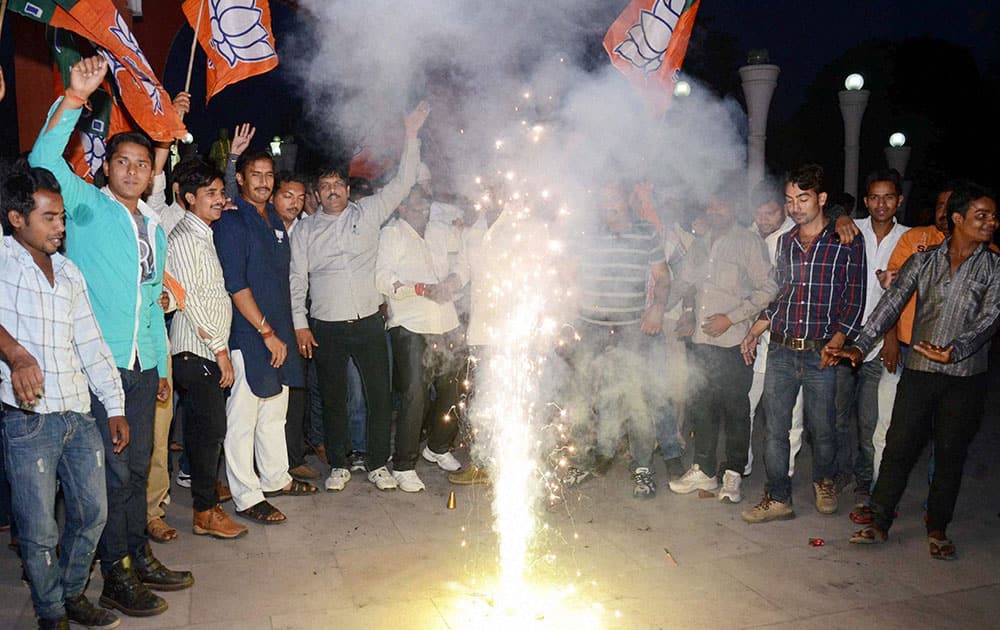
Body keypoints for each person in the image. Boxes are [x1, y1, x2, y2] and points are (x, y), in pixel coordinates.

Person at [28, 55, 191, 616]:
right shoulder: (88, 207)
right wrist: (74, 98)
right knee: (112, 474)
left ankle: (137, 556)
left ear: (151, 172)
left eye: (141, 164)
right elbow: (43, 160)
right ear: (107, 168)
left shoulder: (152, 226)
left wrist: (164, 367)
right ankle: (114, 572)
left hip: (145, 364)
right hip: (100, 368)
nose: (130, 171)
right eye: (121, 162)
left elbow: (151, 303)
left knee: (139, 465)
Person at [828, 182, 1000, 560]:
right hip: (920, 371)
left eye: (993, 216)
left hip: (966, 378)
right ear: (957, 219)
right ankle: (879, 520)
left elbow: (991, 317)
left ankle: (937, 526)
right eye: (981, 216)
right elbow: (891, 303)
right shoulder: (923, 261)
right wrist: (859, 344)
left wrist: (956, 349)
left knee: (951, 454)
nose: (991, 223)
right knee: (898, 447)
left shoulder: (994, 267)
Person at [1, 160, 125, 630]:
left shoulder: (70, 272)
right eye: (49, 218)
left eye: (62, 217)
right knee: (38, 530)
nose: (60, 226)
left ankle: (72, 593)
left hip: (77, 411)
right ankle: (50, 611)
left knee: (93, 512)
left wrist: (113, 405)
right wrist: (15, 354)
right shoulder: (4, 258)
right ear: (17, 219)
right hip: (28, 418)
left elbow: (91, 341)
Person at [291, 102, 430, 492]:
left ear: (347, 190)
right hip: (326, 326)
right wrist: (301, 325)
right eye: (325, 187)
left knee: (379, 397)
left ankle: (377, 463)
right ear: (316, 194)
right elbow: (296, 281)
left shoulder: (368, 212)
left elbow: (403, 182)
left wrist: (411, 135)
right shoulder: (304, 233)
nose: (332, 191)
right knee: (334, 397)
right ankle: (338, 463)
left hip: (369, 321)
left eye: (338, 185)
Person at [739, 164, 866, 523]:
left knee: (823, 429)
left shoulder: (846, 240)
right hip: (781, 348)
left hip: (821, 353)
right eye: (790, 200)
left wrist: (837, 341)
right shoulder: (786, 242)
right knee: (776, 428)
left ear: (822, 199)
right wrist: (755, 330)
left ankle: (824, 481)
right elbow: (781, 294)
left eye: (803, 199)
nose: (795, 207)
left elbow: (854, 301)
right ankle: (778, 496)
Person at [214, 147, 315, 525]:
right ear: (240, 178)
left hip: (279, 333)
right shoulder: (232, 220)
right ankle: (246, 494)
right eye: (254, 174)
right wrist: (266, 332)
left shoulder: (273, 217)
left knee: (275, 412)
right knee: (243, 418)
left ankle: (276, 477)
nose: (263, 181)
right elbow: (236, 285)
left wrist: (282, 333)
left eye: (268, 175)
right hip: (249, 333)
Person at [667, 182, 776, 504]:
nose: (714, 212)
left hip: (732, 342)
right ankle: (704, 470)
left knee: (735, 412)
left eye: (722, 206)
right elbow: (685, 282)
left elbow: (769, 287)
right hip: (700, 341)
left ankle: (732, 475)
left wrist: (732, 317)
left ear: (735, 209)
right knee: (701, 408)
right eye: (711, 206)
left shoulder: (748, 243)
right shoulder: (701, 243)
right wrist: (665, 309)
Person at [571, 182, 673, 499]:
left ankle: (642, 466)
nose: (608, 204)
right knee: (586, 397)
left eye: (614, 197)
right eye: (603, 198)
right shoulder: (588, 233)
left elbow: (663, 277)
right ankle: (590, 458)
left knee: (636, 397)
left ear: (626, 200)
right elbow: (569, 274)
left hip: (632, 328)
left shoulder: (646, 232)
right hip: (590, 327)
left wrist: (656, 309)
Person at [166, 160, 247, 540]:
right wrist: (219, 349)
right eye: (211, 194)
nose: (220, 199)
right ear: (188, 198)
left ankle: (206, 493)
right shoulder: (184, 238)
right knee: (209, 430)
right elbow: (188, 298)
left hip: (205, 349)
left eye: (220, 192)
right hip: (195, 350)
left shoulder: (203, 234)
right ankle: (204, 511)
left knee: (205, 429)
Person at [376, 186, 467, 491]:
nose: (421, 213)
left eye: (425, 207)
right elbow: (382, 278)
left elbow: (466, 254)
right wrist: (419, 288)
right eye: (414, 207)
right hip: (410, 325)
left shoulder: (441, 231)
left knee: (451, 390)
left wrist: (455, 280)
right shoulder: (392, 235)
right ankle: (403, 463)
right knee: (415, 392)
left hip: (447, 321)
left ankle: (438, 447)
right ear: (401, 208)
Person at [834, 169, 909, 523]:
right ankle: (838, 473)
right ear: (866, 201)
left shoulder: (909, 239)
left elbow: (909, 296)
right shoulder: (852, 229)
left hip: (882, 342)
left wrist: (892, 336)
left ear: (899, 200)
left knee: (870, 419)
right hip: (844, 338)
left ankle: (866, 483)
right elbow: (825, 214)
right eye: (875, 197)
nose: (882, 204)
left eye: (889, 197)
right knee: (835, 415)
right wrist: (840, 215)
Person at [744, 181, 804, 478]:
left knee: (789, 413)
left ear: (784, 209)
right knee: (746, 403)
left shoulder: (795, 237)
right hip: (751, 337)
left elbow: (785, 290)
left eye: (770, 213)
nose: (764, 219)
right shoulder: (748, 236)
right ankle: (740, 466)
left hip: (786, 337)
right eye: (759, 214)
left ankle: (784, 473)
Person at [270, 171, 318, 481]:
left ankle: (293, 455)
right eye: (288, 195)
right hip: (266, 319)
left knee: (297, 388)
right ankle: (267, 460)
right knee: (267, 392)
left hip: (298, 318)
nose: (295, 203)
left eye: (300, 198)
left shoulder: (306, 229)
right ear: (274, 195)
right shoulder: (264, 225)